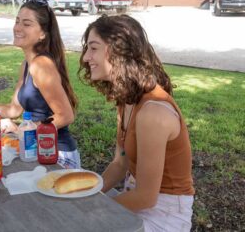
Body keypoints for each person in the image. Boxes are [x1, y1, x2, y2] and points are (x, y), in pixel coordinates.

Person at [78, 14, 195, 231]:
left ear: (119, 52)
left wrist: (94, 209)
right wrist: (86, 195)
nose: (86, 57)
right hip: (135, 196)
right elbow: (119, 164)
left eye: (93, 48)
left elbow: (146, 197)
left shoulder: (153, 112)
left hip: (164, 212)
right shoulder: (127, 98)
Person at [0, 0, 80, 169]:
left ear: (42, 33)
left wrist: (23, 131)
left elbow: (65, 116)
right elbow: (13, 110)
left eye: (27, 24)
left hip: (57, 155)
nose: (18, 28)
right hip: (36, 149)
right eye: (17, 21)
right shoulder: (27, 64)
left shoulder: (41, 65)